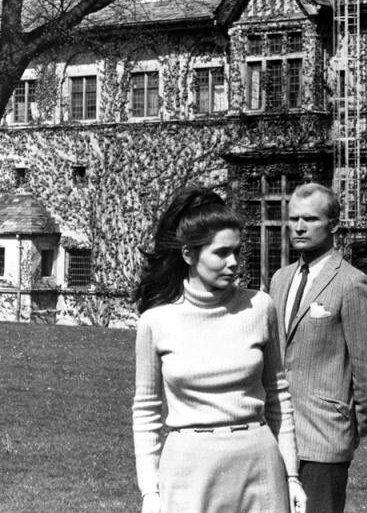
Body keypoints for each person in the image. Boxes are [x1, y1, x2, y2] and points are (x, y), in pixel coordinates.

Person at [131, 185, 307, 513]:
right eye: (221, 253)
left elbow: (279, 397)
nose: (233, 263)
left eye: (237, 252)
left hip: (259, 465)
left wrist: (292, 476)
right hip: (188, 471)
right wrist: (150, 492)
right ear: (189, 254)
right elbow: (146, 413)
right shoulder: (156, 322)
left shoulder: (260, 307)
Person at [269, 183, 367, 513]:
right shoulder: (280, 279)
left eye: (310, 219)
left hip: (323, 439)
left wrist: (351, 428)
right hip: (275, 436)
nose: (299, 227)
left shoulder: (351, 283)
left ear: (334, 225)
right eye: (293, 219)